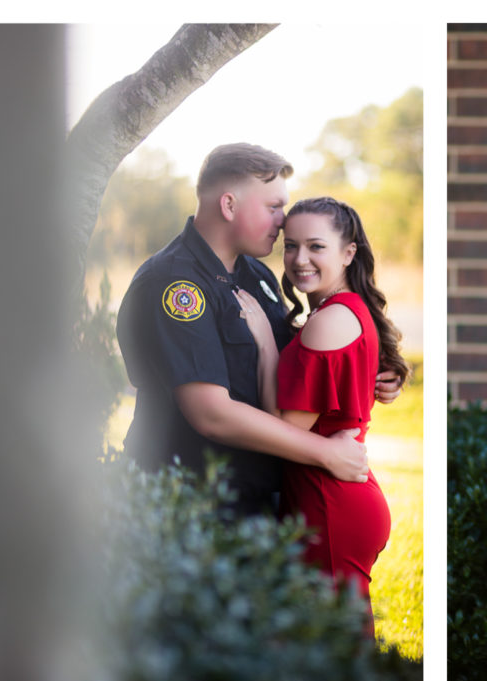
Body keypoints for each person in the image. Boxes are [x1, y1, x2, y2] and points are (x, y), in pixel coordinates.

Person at [116, 144, 401, 516]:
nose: (283, 220)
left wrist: (369, 371)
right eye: (273, 207)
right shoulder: (174, 284)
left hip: (257, 502)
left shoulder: (257, 274)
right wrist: (327, 453)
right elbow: (211, 413)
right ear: (229, 205)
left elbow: (298, 363)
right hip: (190, 506)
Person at [234, 196, 410, 630]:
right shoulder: (342, 310)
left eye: (316, 246)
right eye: (290, 246)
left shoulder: (330, 320)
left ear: (349, 252)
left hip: (330, 506)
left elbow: (285, 427)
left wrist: (263, 342)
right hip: (334, 496)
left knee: (335, 653)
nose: (299, 259)